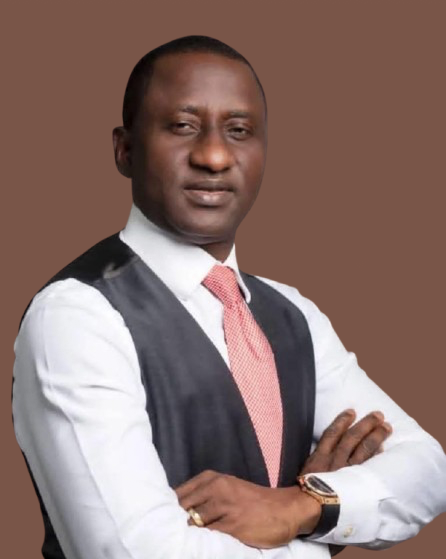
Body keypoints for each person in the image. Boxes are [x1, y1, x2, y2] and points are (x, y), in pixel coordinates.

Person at [12, 35, 446, 559]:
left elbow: (427, 469)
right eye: (182, 126)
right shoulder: (76, 317)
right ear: (125, 150)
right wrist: (321, 538)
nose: (214, 156)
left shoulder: (294, 315)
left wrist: (302, 506)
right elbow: (134, 553)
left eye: (239, 131)